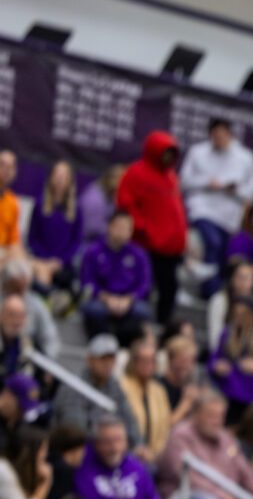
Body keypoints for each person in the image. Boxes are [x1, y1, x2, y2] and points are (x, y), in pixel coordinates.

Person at [116, 131, 187, 330]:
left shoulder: (171, 177)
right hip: (147, 246)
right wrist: (144, 229)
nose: (169, 158)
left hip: (170, 249)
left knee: (169, 289)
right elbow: (125, 204)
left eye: (172, 154)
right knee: (144, 288)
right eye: (166, 152)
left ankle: (163, 326)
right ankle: (139, 328)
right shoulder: (136, 173)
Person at [180, 119, 253, 290]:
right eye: (215, 136)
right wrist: (207, 182)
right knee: (212, 242)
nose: (219, 139)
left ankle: (210, 288)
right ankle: (209, 287)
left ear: (230, 134)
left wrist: (233, 189)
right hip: (201, 210)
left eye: (223, 135)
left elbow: (252, 190)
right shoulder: (197, 152)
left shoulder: (246, 157)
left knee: (222, 254)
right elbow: (184, 181)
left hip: (229, 218)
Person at [76, 209, 154, 343]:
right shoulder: (93, 251)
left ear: (131, 232)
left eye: (126, 228)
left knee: (141, 312)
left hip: (128, 301)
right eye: (119, 226)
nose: (122, 231)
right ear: (109, 227)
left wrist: (128, 300)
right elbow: (87, 281)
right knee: (93, 310)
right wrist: (105, 298)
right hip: (101, 299)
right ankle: (100, 346)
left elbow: (144, 285)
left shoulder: (139, 255)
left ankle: (123, 347)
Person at [52, 334, 141, 447]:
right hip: (81, 451)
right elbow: (76, 433)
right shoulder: (74, 387)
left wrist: (138, 445)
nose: (108, 364)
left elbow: (129, 420)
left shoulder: (114, 386)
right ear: (90, 359)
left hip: (111, 448)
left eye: (111, 359)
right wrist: (110, 440)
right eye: (103, 358)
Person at [26, 161, 80, 292]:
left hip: (63, 264)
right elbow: (32, 238)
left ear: (70, 181)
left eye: (64, 176)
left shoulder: (77, 210)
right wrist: (45, 260)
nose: (60, 179)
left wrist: (60, 261)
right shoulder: (40, 205)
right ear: (51, 177)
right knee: (36, 275)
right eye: (57, 175)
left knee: (66, 278)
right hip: (40, 260)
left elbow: (76, 241)